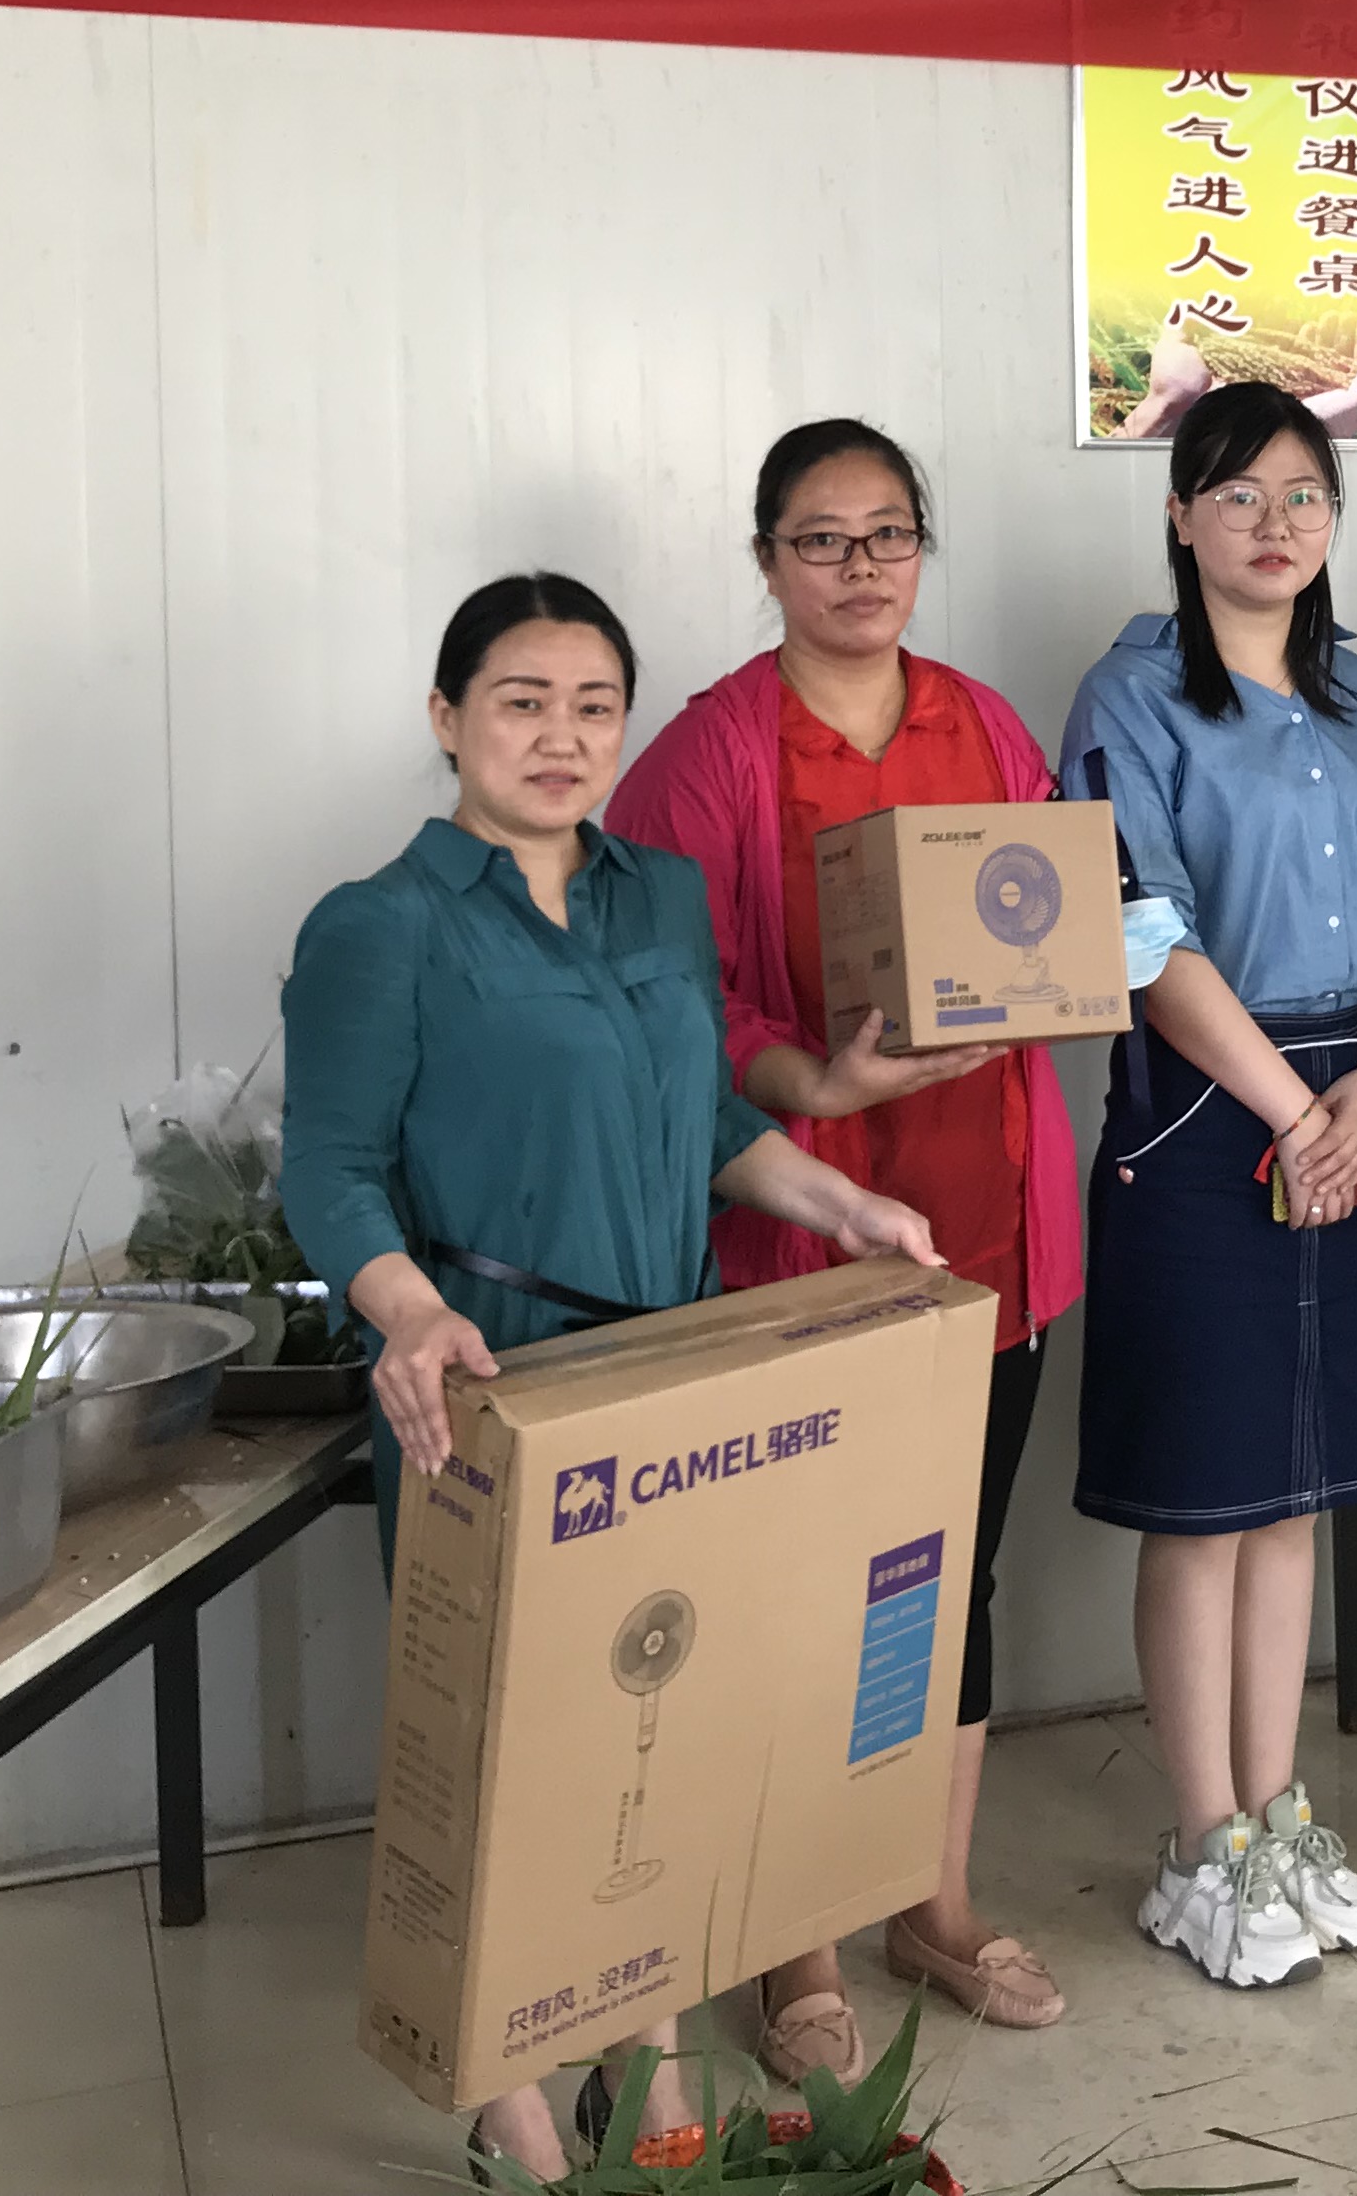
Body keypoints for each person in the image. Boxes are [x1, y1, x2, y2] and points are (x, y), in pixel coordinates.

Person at [278, 573, 943, 2184]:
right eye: (521, 702)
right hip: (492, 1389)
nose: (560, 737)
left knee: (663, 1728)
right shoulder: (382, 924)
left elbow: (704, 1117)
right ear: (447, 719)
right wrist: (405, 1314)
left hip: (676, 1378)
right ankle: (506, 2094)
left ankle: (645, 2057)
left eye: (593, 707)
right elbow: (329, 1166)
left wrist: (839, 1204)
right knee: (511, 1754)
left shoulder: (660, 896)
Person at [603, 422, 1080, 2076]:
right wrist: (813, 1079)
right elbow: (673, 1005)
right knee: (803, 1598)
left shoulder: (987, 724)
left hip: (988, 1229)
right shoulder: (708, 754)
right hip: (797, 1240)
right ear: (766, 561)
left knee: (952, 1582)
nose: (862, 567)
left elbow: (1052, 910)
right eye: (823, 539)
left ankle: (929, 1905)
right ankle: (790, 1940)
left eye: (890, 535)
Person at [1057, 383, 1357, 1991]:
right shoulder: (1130, 692)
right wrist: (1295, 1114)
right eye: (1239, 495)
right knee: (1208, 1499)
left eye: (1304, 495)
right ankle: (1202, 1841)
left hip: (1346, 1091)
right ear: (1178, 515)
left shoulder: (1355, 690)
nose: (1276, 524)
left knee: (1296, 1490)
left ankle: (1277, 1812)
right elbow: (1139, 935)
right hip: (1208, 1106)